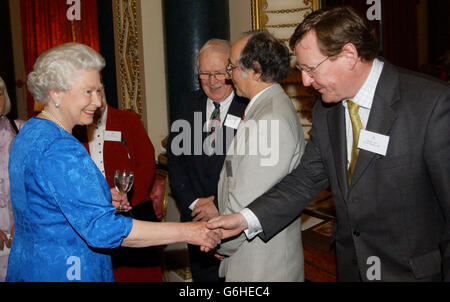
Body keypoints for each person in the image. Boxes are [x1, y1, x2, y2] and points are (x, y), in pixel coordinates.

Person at [208, 6, 450, 282]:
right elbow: (305, 179)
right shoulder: (327, 110)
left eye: (311, 69)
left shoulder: (432, 105)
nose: (306, 82)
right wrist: (245, 219)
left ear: (348, 55)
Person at [6, 42, 221, 282]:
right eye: (88, 91)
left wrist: (102, 196)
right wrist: (189, 230)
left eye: (99, 91)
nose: (98, 102)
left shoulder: (31, 132)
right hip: (68, 270)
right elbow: (104, 230)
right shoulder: (60, 148)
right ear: (56, 92)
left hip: (30, 266)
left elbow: (47, 200)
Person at [215, 30, 305, 282]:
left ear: (254, 69)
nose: (227, 75)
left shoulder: (271, 118)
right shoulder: (266, 107)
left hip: (262, 263)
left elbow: (246, 198)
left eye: (231, 67)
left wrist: (221, 243)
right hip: (253, 255)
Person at [167, 39, 247, 282]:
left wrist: (220, 207)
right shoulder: (187, 104)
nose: (212, 81)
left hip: (236, 221)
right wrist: (194, 203)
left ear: (232, 71)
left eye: (219, 73)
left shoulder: (250, 106)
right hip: (197, 220)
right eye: (204, 73)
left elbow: (250, 170)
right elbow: (176, 160)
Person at [73, 91, 161, 281]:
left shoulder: (127, 120)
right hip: (94, 215)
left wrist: (129, 198)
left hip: (131, 210)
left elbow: (146, 162)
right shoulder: (75, 126)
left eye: (98, 90)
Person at [0, 76, 24, 282]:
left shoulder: (22, 131)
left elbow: (39, 185)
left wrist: (25, 220)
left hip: (24, 238)